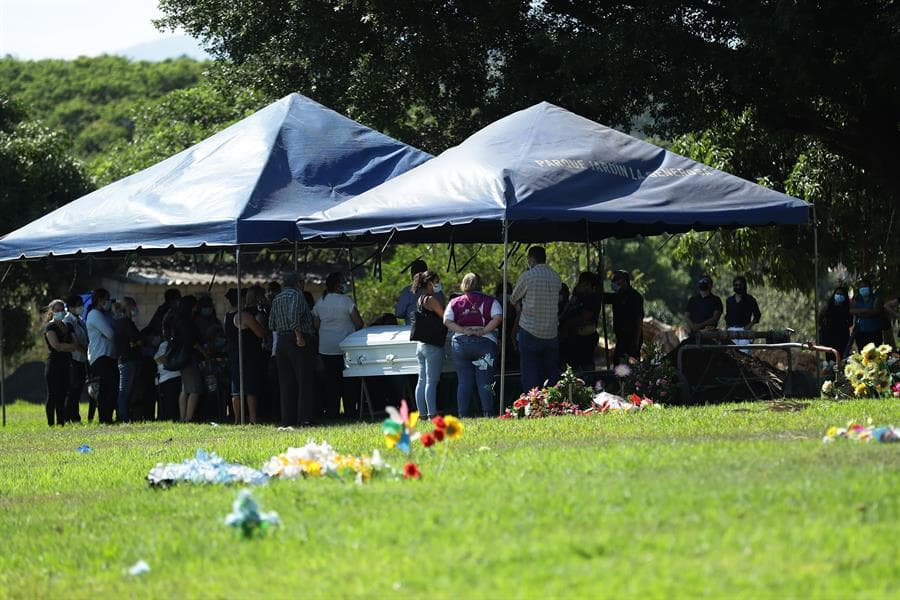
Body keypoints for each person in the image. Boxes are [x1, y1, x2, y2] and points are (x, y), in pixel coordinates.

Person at [444, 272, 503, 417]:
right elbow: (498, 317)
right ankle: (488, 413)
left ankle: (462, 414)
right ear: (480, 284)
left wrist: (462, 330)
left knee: (464, 382)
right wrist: (484, 331)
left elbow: (446, 321)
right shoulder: (491, 301)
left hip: (461, 344)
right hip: (485, 344)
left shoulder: (454, 302)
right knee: (485, 381)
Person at [269, 271, 318, 427]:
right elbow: (293, 316)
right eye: (302, 281)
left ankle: (287, 420)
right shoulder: (296, 295)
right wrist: (299, 336)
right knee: (304, 380)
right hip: (297, 340)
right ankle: (304, 418)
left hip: (281, 341)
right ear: (298, 283)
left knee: (286, 383)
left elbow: (271, 323)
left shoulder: (277, 298)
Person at [313, 272, 364, 421]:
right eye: (343, 281)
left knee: (331, 383)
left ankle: (332, 413)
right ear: (337, 285)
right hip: (345, 347)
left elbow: (316, 325)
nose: (345, 284)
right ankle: (350, 412)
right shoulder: (346, 301)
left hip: (326, 348)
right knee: (348, 382)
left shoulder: (320, 302)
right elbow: (359, 322)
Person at [511, 246, 562, 391]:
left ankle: (532, 405)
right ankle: (553, 403)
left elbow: (514, 298)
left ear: (531, 258)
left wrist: (519, 306)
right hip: (551, 331)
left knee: (530, 371)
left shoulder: (528, 276)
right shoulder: (556, 277)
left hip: (530, 329)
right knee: (551, 371)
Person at [228, 286, 270, 424]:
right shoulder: (244, 315)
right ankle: (252, 419)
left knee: (236, 389)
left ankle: (237, 419)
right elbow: (260, 333)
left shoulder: (227, 316)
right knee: (250, 388)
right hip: (248, 354)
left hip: (234, 354)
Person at [410, 270, 447, 419]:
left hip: (421, 345)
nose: (438, 284)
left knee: (422, 380)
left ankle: (422, 414)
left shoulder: (420, 298)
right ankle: (432, 413)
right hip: (432, 345)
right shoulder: (431, 299)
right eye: (436, 281)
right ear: (430, 282)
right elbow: (444, 316)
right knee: (432, 381)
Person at [86, 288, 118, 423]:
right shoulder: (94, 315)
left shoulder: (105, 314)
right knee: (105, 389)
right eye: (107, 299)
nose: (110, 302)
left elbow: (116, 329)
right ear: (100, 300)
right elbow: (111, 333)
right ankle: (104, 419)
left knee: (112, 388)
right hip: (100, 356)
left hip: (110, 356)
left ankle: (108, 416)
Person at [43, 299, 77, 426]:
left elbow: (76, 344)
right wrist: (68, 346)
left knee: (63, 394)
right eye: (57, 310)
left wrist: (66, 346)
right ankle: (51, 424)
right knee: (53, 394)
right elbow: (56, 345)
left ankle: (61, 422)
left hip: (66, 363)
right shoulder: (50, 327)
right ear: (52, 312)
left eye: (62, 310)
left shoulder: (68, 326)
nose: (60, 312)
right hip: (54, 365)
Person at [600, 270, 644, 365]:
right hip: (621, 339)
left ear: (624, 281)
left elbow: (639, 321)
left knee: (631, 367)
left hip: (632, 339)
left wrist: (636, 343)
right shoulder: (617, 296)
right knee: (618, 365)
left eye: (616, 280)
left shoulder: (635, 297)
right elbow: (601, 297)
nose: (613, 283)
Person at [174, 295, 206, 422]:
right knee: (195, 389)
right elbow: (193, 342)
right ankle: (188, 418)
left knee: (185, 388)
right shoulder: (187, 322)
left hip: (181, 358)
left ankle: (183, 417)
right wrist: (204, 353)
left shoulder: (177, 320)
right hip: (189, 357)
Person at [112, 298, 142, 423]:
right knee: (124, 391)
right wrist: (138, 342)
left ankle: (125, 415)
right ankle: (123, 417)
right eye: (134, 306)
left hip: (127, 359)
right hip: (127, 360)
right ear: (129, 307)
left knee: (126, 390)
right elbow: (136, 338)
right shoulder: (125, 323)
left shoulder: (123, 322)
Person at [63, 294, 89, 422]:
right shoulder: (68, 321)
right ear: (71, 307)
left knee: (78, 389)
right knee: (73, 389)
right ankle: (70, 416)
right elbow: (75, 343)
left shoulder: (79, 320)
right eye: (78, 305)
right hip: (74, 359)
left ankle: (74, 416)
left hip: (81, 359)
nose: (81, 307)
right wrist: (86, 353)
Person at [396, 259, 446, 323]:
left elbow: (399, 313)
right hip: (434, 329)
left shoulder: (408, 292)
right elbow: (444, 317)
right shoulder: (436, 294)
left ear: (412, 274)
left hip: (412, 329)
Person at [154, 312, 182, 421]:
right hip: (169, 378)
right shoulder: (166, 345)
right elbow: (159, 359)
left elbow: (157, 359)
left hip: (169, 378)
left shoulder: (167, 344)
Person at [725, 276, 762, 351]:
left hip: (744, 330)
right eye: (736, 285)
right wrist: (726, 328)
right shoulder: (729, 300)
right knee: (731, 354)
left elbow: (757, 315)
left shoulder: (751, 300)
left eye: (740, 285)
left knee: (744, 353)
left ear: (744, 286)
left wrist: (749, 326)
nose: (738, 287)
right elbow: (728, 316)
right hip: (731, 330)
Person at [818, 285, 853, 358]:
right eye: (838, 294)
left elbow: (850, 323)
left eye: (841, 294)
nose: (839, 296)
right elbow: (820, 320)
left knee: (842, 357)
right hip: (829, 338)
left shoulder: (847, 309)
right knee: (830, 358)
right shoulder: (827, 307)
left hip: (842, 338)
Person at [850, 278, 885, 349]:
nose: (863, 288)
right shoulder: (857, 299)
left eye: (865, 286)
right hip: (860, 332)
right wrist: (865, 310)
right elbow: (851, 310)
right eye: (861, 287)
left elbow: (876, 311)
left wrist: (860, 312)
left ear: (870, 288)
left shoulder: (875, 298)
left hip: (875, 331)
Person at [684, 275, 723, 339]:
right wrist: (693, 327)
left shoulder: (716, 300)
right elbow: (686, 316)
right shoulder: (692, 299)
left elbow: (715, 318)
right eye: (701, 281)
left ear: (711, 285)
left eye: (705, 281)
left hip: (709, 334)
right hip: (693, 334)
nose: (703, 283)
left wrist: (699, 326)